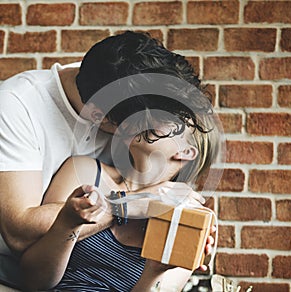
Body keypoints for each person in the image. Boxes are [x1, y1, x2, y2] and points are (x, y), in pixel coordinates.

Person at [0, 31, 216, 289]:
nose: (161, 127)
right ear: (99, 118)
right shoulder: (18, 105)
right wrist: (125, 205)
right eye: (147, 125)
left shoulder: (127, 87)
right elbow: (18, 236)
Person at [20, 88, 220, 291]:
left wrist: (155, 270)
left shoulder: (190, 218)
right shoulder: (85, 172)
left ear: (184, 151)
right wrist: (69, 223)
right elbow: (35, 280)